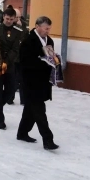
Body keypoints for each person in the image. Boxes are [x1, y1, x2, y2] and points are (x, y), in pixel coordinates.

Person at [16, 16, 59, 150]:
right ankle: (48, 139)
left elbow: (51, 56)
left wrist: (55, 61)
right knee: (40, 111)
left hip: (43, 81)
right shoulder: (28, 41)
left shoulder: (49, 40)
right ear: (37, 26)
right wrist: (43, 62)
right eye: (46, 28)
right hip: (30, 82)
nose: (48, 31)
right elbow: (25, 63)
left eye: (49, 29)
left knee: (30, 109)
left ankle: (22, 133)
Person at [0, 7, 22, 130]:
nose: (9, 21)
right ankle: (0, 119)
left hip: (9, 65)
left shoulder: (18, 31)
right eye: (7, 18)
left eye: (11, 19)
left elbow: (15, 49)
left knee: (11, 89)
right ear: (3, 17)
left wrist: (6, 62)